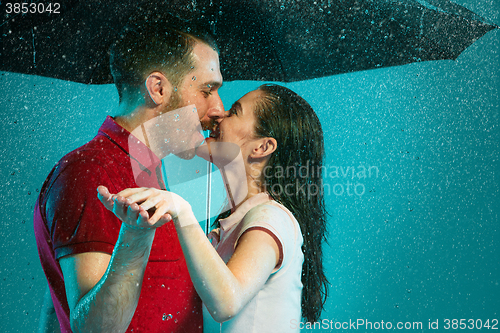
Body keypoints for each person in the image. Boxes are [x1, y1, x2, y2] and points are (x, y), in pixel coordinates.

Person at [34, 16, 224, 333]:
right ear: (158, 88)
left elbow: (56, 304)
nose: (218, 108)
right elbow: (95, 328)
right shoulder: (90, 172)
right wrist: (135, 236)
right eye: (207, 89)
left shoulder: (147, 169)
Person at [98, 84, 329, 332]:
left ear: (261, 148)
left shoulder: (271, 217)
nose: (219, 115)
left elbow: (227, 302)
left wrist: (181, 209)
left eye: (235, 112)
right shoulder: (233, 224)